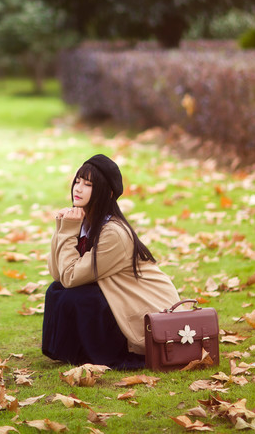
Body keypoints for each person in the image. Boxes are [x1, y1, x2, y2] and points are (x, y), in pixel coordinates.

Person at [42, 154, 181, 369]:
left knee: (80, 296)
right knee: (56, 290)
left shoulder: (114, 232)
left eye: (87, 184)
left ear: (107, 193)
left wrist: (67, 231)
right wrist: (62, 228)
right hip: (116, 296)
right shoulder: (83, 221)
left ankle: (103, 353)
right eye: (77, 181)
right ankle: (73, 352)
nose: (77, 189)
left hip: (145, 309)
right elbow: (58, 273)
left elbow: (70, 277)